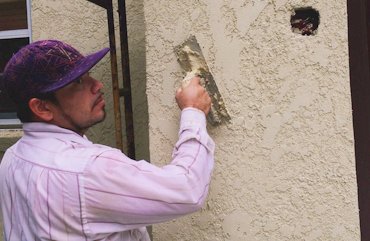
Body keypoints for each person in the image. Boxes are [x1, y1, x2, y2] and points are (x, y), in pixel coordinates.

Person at [0, 40, 214, 241]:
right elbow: (187, 190)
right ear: (42, 108)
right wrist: (193, 111)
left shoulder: (12, 158)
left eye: (88, 74)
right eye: (77, 82)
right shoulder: (87, 169)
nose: (98, 85)